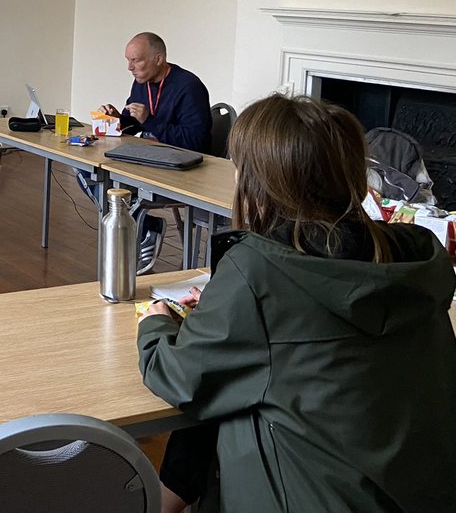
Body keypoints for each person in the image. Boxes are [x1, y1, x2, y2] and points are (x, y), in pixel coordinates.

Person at [137, 94, 456, 513]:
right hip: (419, 494)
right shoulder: (414, 256)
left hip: (316, 499)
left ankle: (163, 502)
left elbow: (178, 376)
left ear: (257, 180)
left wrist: (157, 325)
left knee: (229, 393)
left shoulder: (258, 271)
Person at [99, 32, 211, 154]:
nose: (130, 67)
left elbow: (195, 142)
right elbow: (133, 125)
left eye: (136, 60)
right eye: (128, 60)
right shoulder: (141, 82)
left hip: (180, 161)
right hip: (148, 154)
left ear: (158, 59)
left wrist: (149, 121)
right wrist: (116, 120)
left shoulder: (189, 87)